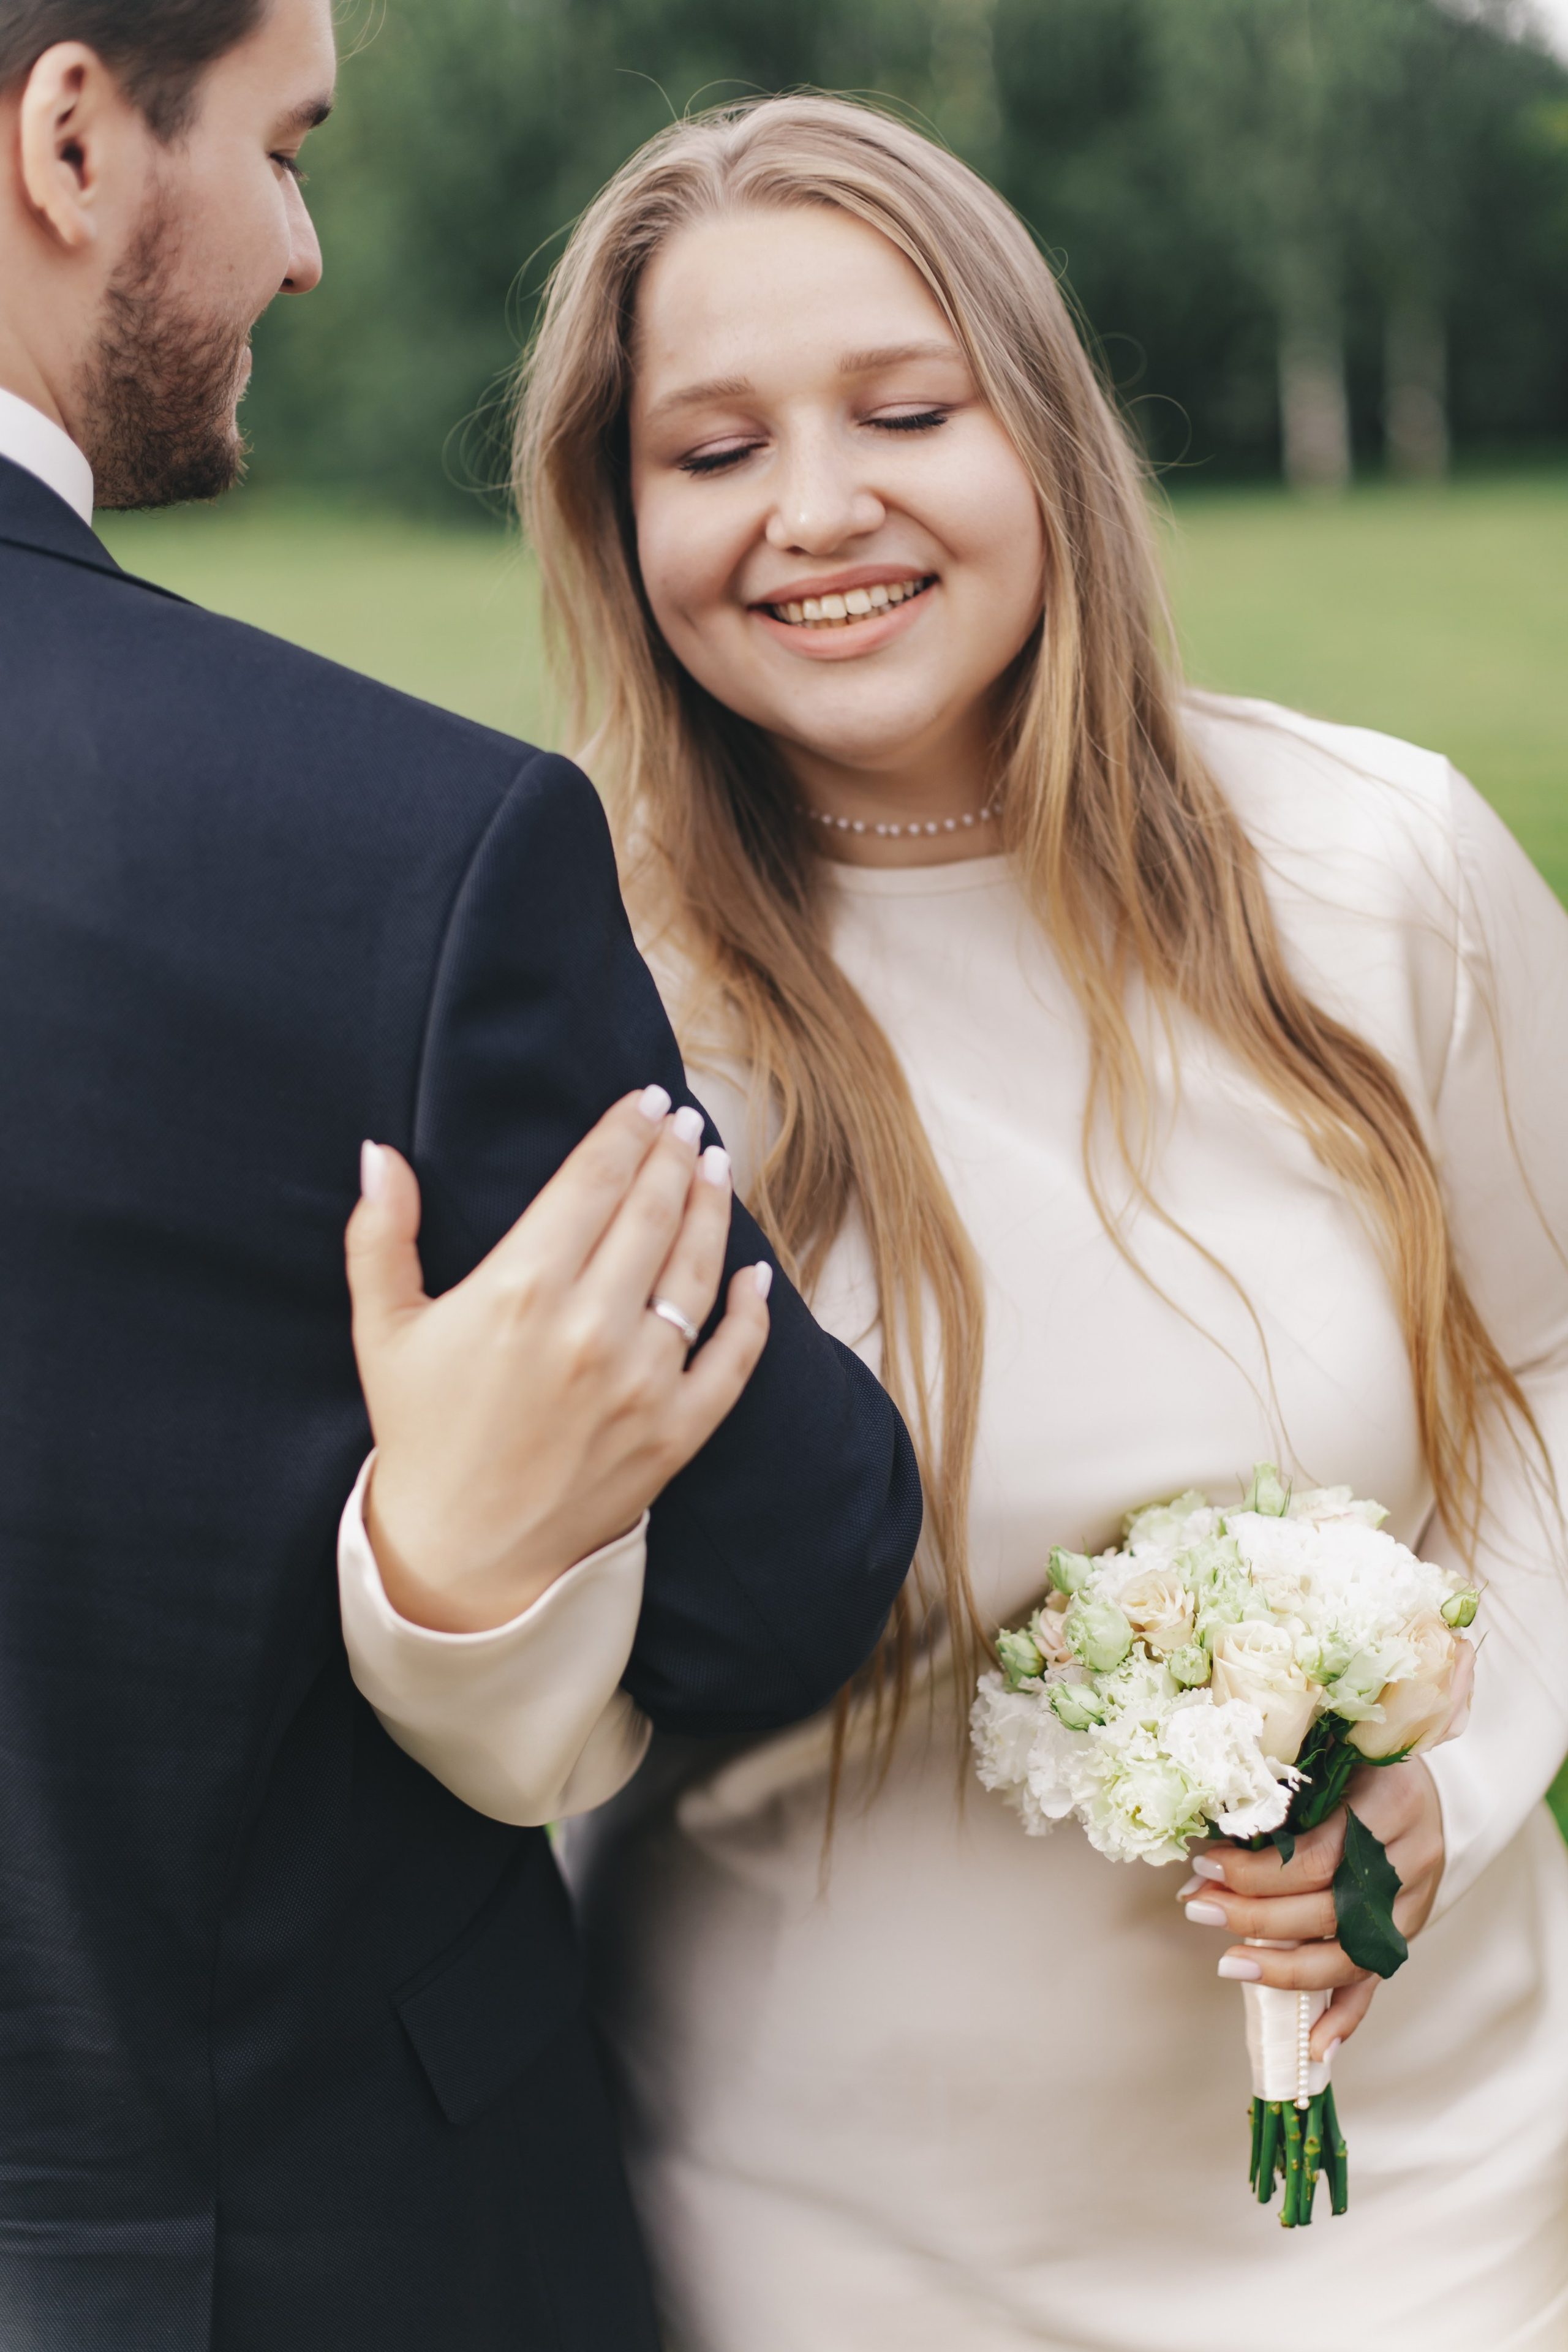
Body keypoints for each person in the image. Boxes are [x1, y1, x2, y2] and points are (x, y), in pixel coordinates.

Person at [393, 94, 1568, 2350]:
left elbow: (1548, 1378)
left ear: (1043, 432)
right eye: (709, 449)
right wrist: (443, 1594)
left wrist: (1456, 1781)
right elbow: (505, 1726)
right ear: (614, 520)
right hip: (814, 2241)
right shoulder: (559, 995)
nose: (816, 511)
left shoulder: (1381, 861)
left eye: (904, 412)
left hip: (1426, 2221)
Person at [0, 17, 921, 2349]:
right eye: (286, 151)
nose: (305, 254)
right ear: (75, 136)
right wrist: (466, 1547)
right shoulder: (388, 850)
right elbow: (790, 1568)